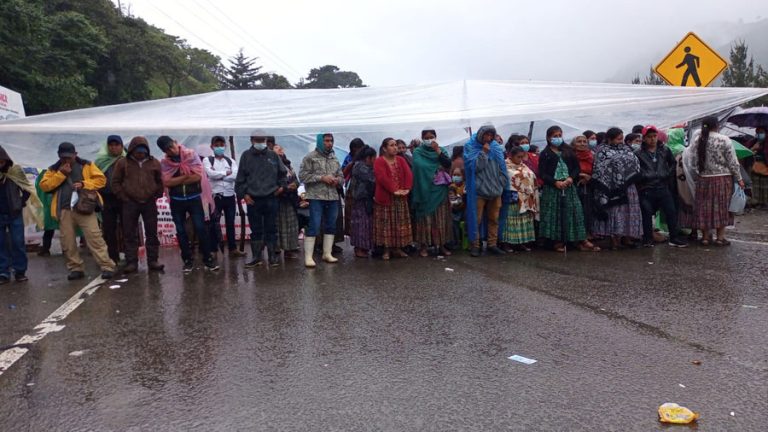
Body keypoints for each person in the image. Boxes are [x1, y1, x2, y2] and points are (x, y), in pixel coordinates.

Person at [39, 142, 116, 280]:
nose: (67, 160)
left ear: (75, 154)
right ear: (59, 156)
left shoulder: (86, 165)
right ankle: (75, 268)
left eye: (69, 157)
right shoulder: (53, 169)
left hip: (85, 207)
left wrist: (84, 184)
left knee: (94, 237)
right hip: (64, 209)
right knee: (67, 241)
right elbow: (45, 186)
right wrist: (61, 174)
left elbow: (101, 180)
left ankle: (107, 265)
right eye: (63, 157)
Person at [157, 136, 219, 273]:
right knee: (181, 231)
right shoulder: (165, 163)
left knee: (201, 228)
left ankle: (208, 258)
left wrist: (177, 180)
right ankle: (187, 260)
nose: (172, 150)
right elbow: (166, 182)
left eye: (172, 146)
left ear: (175, 142)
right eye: (167, 149)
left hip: (194, 198)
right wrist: (185, 177)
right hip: (176, 200)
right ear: (164, 151)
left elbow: (198, 176)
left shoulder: (191, 155)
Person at [683, 116, 745, 246]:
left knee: (704, 208)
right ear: (717, 125)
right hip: (723, 179)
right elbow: (733, 162)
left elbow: (691, 161)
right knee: (722, 207)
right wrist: (739, 179)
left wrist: (698, 175)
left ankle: (705, 238)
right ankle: (720, 238)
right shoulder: (724, 140)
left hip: (703, 180)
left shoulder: (697, 140)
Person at [538, 126, 599, 252]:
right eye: (555, 136)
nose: (557, 138)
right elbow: (542, 173)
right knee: (555, 215)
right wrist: (555, 182)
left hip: (569, 186)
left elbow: (576, 168)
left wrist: (571, 178)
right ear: (549, 138)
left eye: (559, 135)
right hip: (553, 188)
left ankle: (581, 239)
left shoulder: (568, 151)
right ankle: (558, 242)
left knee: (575, 212)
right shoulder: (545, 153)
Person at [111, 136, 165, 273]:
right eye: (138, 151)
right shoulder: (122, 163)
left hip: (149, 202)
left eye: (143, 151)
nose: (141, 154)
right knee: (129, 233)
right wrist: (123, 197)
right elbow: (115, 182)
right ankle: (132, 262)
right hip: (130, 202)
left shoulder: (154, 163)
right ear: (132, 151)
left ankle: (153, 260)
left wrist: (156, 194)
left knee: (152, 232)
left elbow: (160, 181)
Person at [235, 135, 286, 268]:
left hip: (271, 198)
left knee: (271, 229)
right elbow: (240, 178)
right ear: (251, 141)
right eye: (257, 140)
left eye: (262, 140)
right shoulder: (246, 156)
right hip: (253, 200)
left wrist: (281, 188)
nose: (260, 143)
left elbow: (283, 174)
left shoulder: (273, 156)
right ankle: (257, 257)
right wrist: (245, 195)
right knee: (256, 230)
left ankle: (273, 257)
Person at [635, 126, 688, 248]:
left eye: (654, 136)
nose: (652, 139)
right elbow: (635, 168)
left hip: (662, 186)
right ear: (644, 138)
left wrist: (666, 174)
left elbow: (672, 163)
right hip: (646, 187)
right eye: (649, 137)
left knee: (671, 212)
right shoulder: (638, 153)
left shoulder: (664, 149)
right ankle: (647, 239)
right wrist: (643, 176)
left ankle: (674, 237)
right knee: (647, 214)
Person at [591, 127, 643, 250]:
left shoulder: (626, 149)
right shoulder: (602, 151)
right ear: (610, 138)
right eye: (618, 138)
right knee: (615, 212)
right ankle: (614, 239)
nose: (621, 140)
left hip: (628, 187)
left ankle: (627, 237)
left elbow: (634, 162)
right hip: (611, 188)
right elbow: (600, 169)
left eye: (622, 138)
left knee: (628, 211)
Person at [299, 133, 344, 267]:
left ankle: (327, 253)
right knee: (314, 225)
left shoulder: (334, 157)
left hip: (332, 196)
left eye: (331, 141)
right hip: (316, 196)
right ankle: (308, 257)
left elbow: (341, 176)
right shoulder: (310, 157)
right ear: (320, 141)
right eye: (326, 141)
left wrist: (337, 181)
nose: (329, 143)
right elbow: (303, 176)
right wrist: (321, 178)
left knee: (331, 224)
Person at [464, 124, 509, 257]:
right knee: (476, 218)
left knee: (494, 218)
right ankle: (475, 245)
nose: (488, 138)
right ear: (480, 135)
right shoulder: (470, 147)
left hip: (495, 189)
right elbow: (474, 168)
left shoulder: (496, 147)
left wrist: (501, 184)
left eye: (491, 135)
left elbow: (502, 167)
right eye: (486, 135)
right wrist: (483, 153)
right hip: (479, 190)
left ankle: (492, 244)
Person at [411, 129, 453, 257]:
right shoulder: (418, 152)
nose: (430, 139)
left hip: (439, 191)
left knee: (441, 219)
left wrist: (438, 151)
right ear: (422, 139)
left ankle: (441, 245)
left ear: (436, 137)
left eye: (432, 137)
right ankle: (424, 246)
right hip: (425, 189)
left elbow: (447, 164)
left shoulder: (442, 150)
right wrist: (435, 167)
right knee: (425, 219)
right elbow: (418, 165)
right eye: (427, 137)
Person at [0, 146, 37, 284]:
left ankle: (20, 271)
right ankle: (3, 272)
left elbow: (27, 188)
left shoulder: (15, 171)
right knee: (1, 244)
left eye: (1, 161)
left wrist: (20, 203)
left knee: (18, 242)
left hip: (14, 213)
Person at [204, 136, 245, 258]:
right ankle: (213, 249)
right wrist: (225, 174)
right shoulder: (207, 160)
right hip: (215, 196)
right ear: (212, 147)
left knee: (230, 222)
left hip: (229, 195)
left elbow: (235, 176)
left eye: (221, 145)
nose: (219, 147)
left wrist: (219, 176)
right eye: (216, 145)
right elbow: (210, 174)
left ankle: (233, 249)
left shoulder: (230, 161)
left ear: (225, 146)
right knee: (214, 223)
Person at [373, 138, 413, 260]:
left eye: (396, 145)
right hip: (386, 198)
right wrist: (394, 190)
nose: (395, 147)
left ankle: (398, 248)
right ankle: (386, 250)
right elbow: (382, 178)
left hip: (400, 197)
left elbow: (408, 174)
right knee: (386, 224)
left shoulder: (401, 160)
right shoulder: (379, 161)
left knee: (399, 223)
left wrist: (407, 188)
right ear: (384, 148)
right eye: (392, 145)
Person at [94, 135, 126, 266]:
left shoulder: (126, 160)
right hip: (106, 199)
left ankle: (130, 257)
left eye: (116, 145)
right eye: (111, 145)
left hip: (123, 199)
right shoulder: (100, 162)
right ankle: (113, 257)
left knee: (127, 228)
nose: (114, 148)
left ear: (121, 146)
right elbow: (95, 179)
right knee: (109, 229)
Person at [501, 146, 537, 251]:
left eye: (522, 157)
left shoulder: (523, 166)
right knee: (510, 220)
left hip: (525, 198)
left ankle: (521, 242)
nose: (520, 159)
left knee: (523, 220)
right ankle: (506, 243)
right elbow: (513, 177)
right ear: (510, 156)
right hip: (511, 198)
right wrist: (524, 176)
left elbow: (532, 176)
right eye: (518, 157)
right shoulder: (505, 165)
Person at [349, 146, 377, 258]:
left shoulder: (362, 166)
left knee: (366, 224)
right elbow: (372, 179)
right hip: (361, 199)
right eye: (374, 158)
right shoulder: (360, 167)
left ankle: (364, 247)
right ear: (368, 158)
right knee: (360, 225)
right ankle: (359, 248)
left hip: (366, 199)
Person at [274, 145, 301, 259]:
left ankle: (290, 249)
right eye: (276, 148)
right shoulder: (271, 165)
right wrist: (285, 187)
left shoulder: (287, 164)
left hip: (290, 199)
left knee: (291, 224)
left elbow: (296, 180)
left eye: (281, 148)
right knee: (279, 225)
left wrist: (295, 185)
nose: (280, 149)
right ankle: (276, 249)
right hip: (278, 199)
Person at [571, 135, 595, 239]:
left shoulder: (592, 156)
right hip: (574, 185)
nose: (582, 144)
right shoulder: (570, 156)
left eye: (584, 141)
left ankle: (588, 232)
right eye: (579, 141)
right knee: (576, 211)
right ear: (573, 144)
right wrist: (580, 175)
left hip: (589, 186)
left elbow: (597, 170)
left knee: (588, 210)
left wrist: (589, 177)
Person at [746, 126, 768, 207]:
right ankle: (757, 202)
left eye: (761, 132)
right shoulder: (753, 142)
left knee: (765, 186)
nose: (759, 134)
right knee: (756, 186)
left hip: (766, 167)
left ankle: (765, 203)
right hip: (755, 167)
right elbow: (746, 151)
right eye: (758, 132)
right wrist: (753, 148)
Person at [448, 167, 466, 249]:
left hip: (463, 210)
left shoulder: (465, 186)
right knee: (454, 226)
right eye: (454, 175)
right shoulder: (451, 186)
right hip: (454, 211)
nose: (456, 177)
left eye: (458, 175)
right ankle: (455, 241)